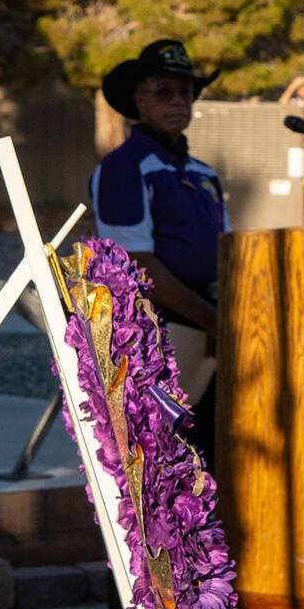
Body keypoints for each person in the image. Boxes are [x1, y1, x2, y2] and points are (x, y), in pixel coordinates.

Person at [91, 39, 227, 460]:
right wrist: (211, 319)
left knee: (212, 455)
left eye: (185, 92)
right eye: (162, 92)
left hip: (210, 329)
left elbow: (228, 253)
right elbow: (137, 263)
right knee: (165, 461)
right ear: (138, 100)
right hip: (161, 337)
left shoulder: (204, 174)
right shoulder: (124, 168)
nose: (177, 102)